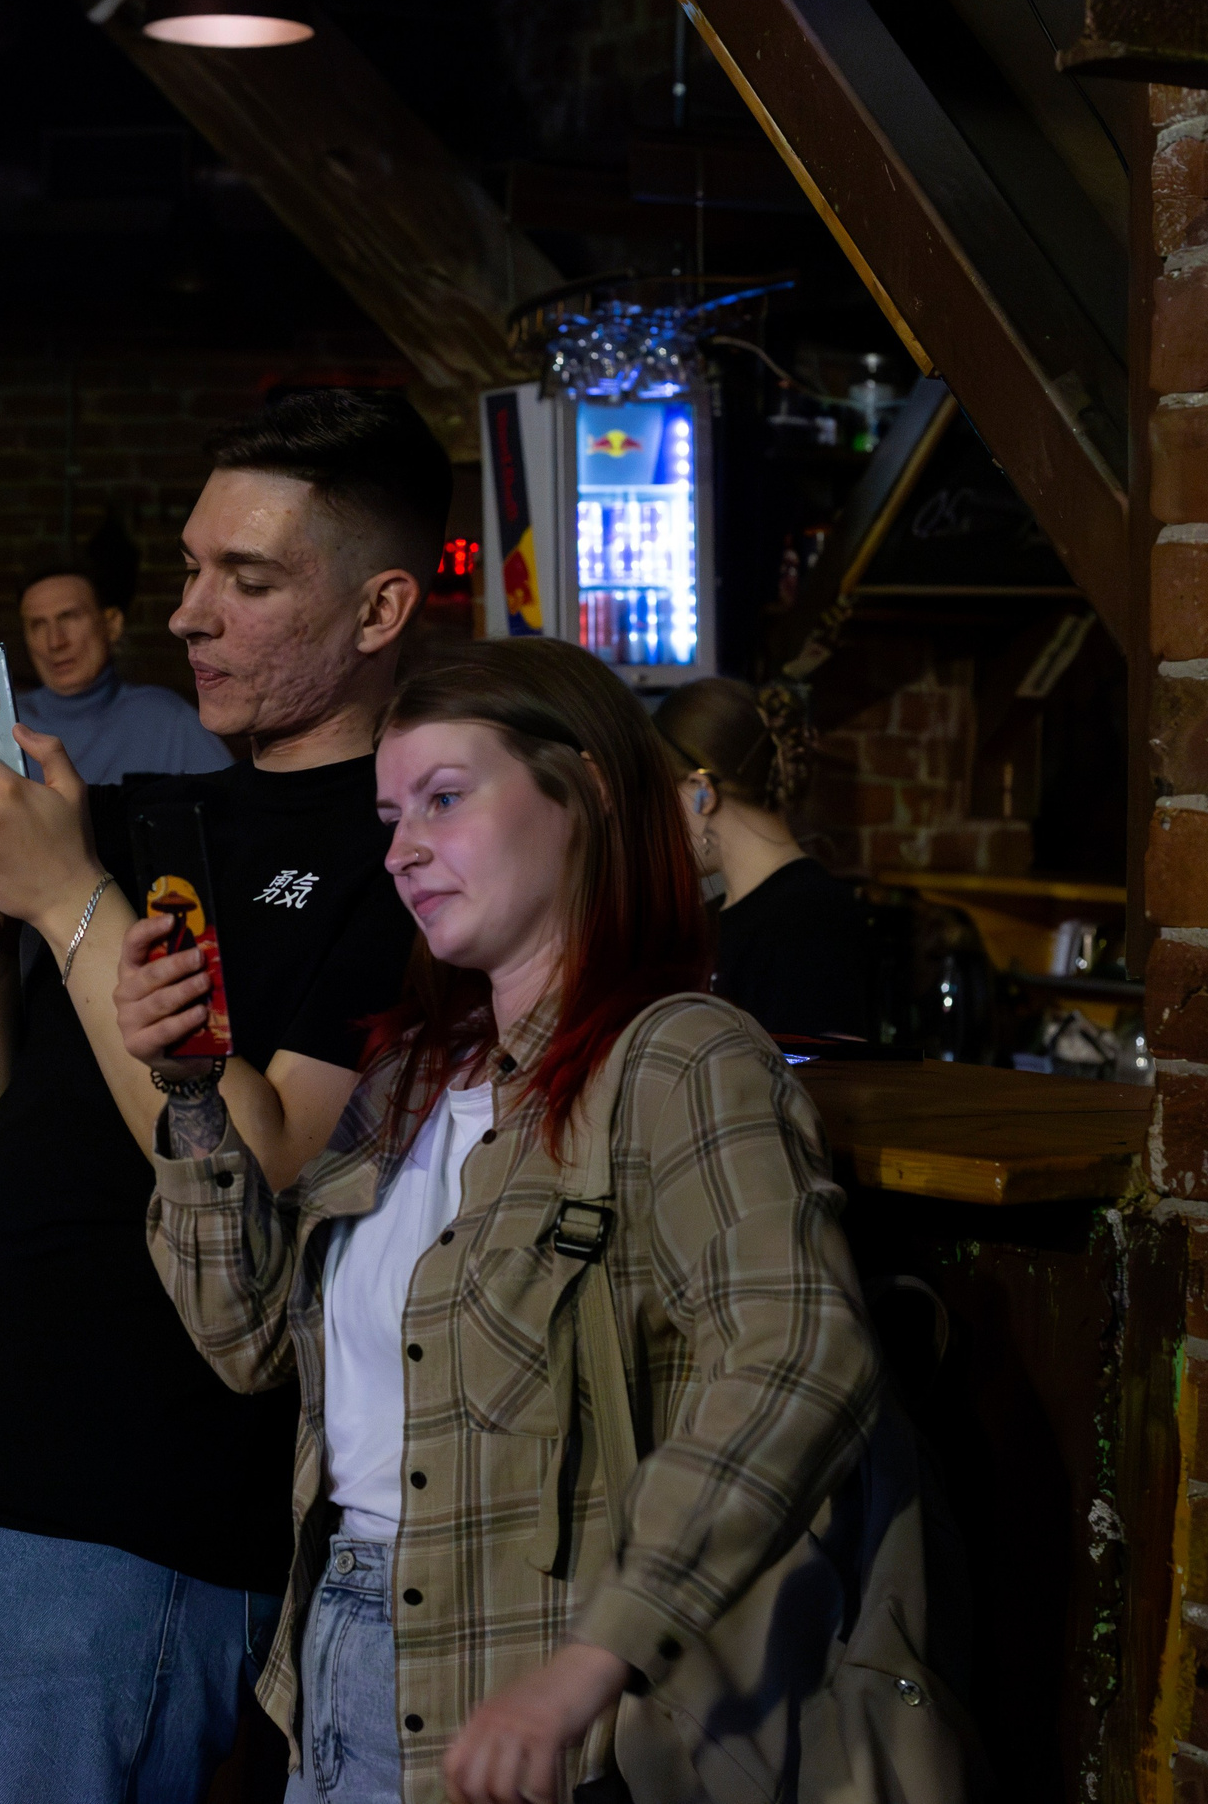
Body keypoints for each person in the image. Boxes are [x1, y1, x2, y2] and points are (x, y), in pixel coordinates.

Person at [0, 390, 444, 1804]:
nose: (190, 614)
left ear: (380, 610)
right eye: (192, 569)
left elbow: (270, 1183)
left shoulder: (411, 869)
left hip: (118, 1538)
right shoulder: (130, 815)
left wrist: (71, 901)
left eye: (246, 581)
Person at [128, 641, 887, 1804]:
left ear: (579, 791)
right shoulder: (410, 1075)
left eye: (443, 798)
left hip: (536, 1685)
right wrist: (190, 1088)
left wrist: (599, 1651)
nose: (401, 848)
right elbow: (249, 1342)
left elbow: (798, 1353)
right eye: (391, 815)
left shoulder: (677, 1058)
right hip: (337, 1657)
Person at [653, 677, 874, 1040]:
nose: (653, 821)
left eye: (658, 797)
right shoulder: (722, 918)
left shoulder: (808, 918)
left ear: (700, 792)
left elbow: (827, 1084)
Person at [16, 554, 230, 784]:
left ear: (112, 624)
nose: (55, 642)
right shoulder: (10, 723)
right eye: (38, 625)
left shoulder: (166, 721)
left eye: (70, 617)